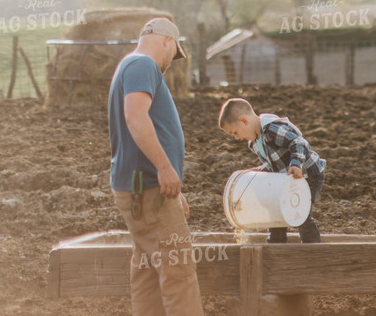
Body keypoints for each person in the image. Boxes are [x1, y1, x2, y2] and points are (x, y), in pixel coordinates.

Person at [108, 17, 203, 316]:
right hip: (148, 186)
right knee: (179, 274)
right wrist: (164, 168)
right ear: (167, 41)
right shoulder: (143, 65)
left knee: (148, 272)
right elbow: (135, 116)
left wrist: (172, 185)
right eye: (173, 54)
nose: (170, 63)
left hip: (140, 188)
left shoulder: (129, 64)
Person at [218, 97, 326, 243]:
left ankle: (312, 249)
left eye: (235, 133)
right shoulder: (254, 142)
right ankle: (276, 244)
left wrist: (296, 163)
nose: (237, 138)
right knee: (276, 211)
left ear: (244, 121)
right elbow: (273, 161)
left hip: (309, 174)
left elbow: (298, 142)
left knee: (300, 212)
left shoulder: (271, 130)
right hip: (287, 178)